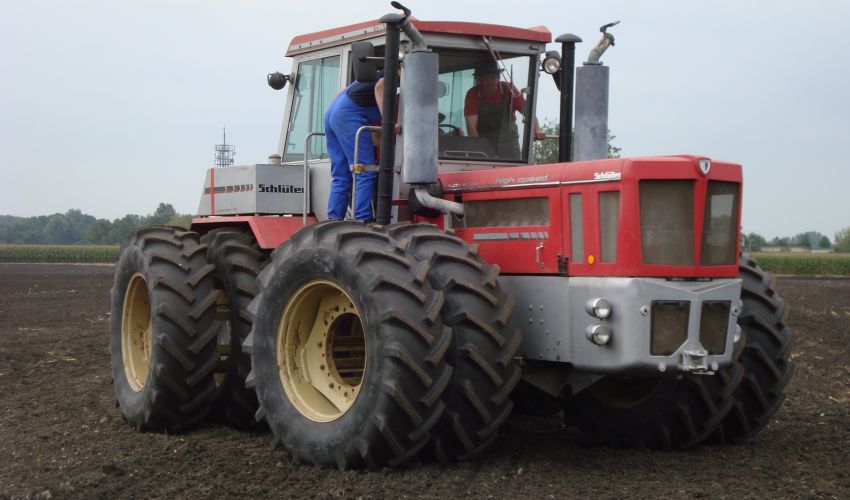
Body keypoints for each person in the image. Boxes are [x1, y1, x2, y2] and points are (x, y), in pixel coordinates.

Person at [323, 74, 387, 222]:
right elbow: (380, 87)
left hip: (332, 113)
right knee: (365, 169)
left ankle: (334, 219)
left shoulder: (366, 78)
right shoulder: (392, 76)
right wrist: (388, 122)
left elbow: (339, 93)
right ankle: (363, 218)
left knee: (341, 173)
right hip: (348, 115)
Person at [464, 59, 545, 159]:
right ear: (479, 80)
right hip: (484, 140)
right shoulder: (473, 94)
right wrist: (479, 148)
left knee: (513, 169)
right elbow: (471, 128)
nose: (489, 81)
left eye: (493, 77)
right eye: (485, 78)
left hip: (509, 141)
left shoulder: (509, 89)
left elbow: (527, 111)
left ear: (498, 78)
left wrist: (537, 129)